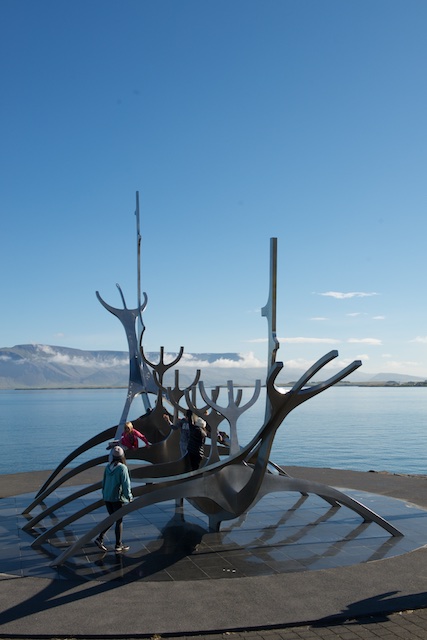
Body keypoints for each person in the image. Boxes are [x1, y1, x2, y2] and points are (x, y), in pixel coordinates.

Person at [94, 445, 133, 553]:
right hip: (117, 498)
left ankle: (100, 538)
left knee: (112, 518)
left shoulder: (108, 467)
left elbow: (104, 482)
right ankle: (118, 545)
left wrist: (104, 494)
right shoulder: (122, 468)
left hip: (107, 497)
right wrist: (129, 497)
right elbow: (126, 484)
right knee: (118, 520)